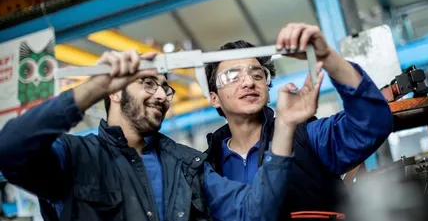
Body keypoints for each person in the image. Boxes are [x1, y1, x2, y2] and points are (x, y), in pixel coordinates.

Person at [0, 50, 325, 221]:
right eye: (148, 83)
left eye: (165, 87)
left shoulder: (187, 166)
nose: (162, 95)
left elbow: (254, 213)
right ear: (114, 93)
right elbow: (10, 149)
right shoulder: (75, 158)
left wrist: (284, 128)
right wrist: (91, 87)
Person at [204, 23, 394, 220]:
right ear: (214, 98)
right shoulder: (207, 167)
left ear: (268, 92)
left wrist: (328, 57)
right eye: (233, 77)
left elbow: (373, 123)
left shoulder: (307, 139)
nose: (248, 82)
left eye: (257, 75)